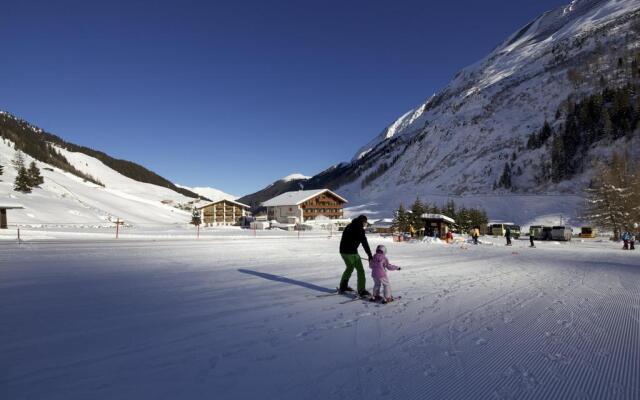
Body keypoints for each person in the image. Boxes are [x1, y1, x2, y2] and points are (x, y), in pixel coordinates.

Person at [339, 215, 373, 297]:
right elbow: (365, 243)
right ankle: (361, 290)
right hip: (351, 252)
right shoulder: (360, 229)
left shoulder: (349, 225)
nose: (365, 224)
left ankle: (343, 286)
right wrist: (369, 255)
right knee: (360, 270)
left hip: (343, 251)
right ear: (362, 221)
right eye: (365, 222)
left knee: (349, 268)